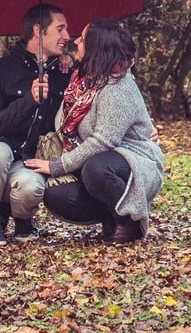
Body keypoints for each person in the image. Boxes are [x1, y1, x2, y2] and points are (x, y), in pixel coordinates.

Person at [26, 18, 164, 244]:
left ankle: (131, 221)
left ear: (95, 49)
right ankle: (111, 215)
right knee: (56, 195)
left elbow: (103, 141)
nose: (76, 40)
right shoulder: (83, 79)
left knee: (96, 168)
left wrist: (57, 166)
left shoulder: (117, 86)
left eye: (83, 39)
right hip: (96, 161)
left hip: (133, 161)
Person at [0, 3, 72, 246]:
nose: (67, 36)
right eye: (60, 29)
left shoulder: (63, 73)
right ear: (38, 30)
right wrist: (29, 101)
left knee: (32, 187)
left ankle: (22, 217)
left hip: (25, 162)